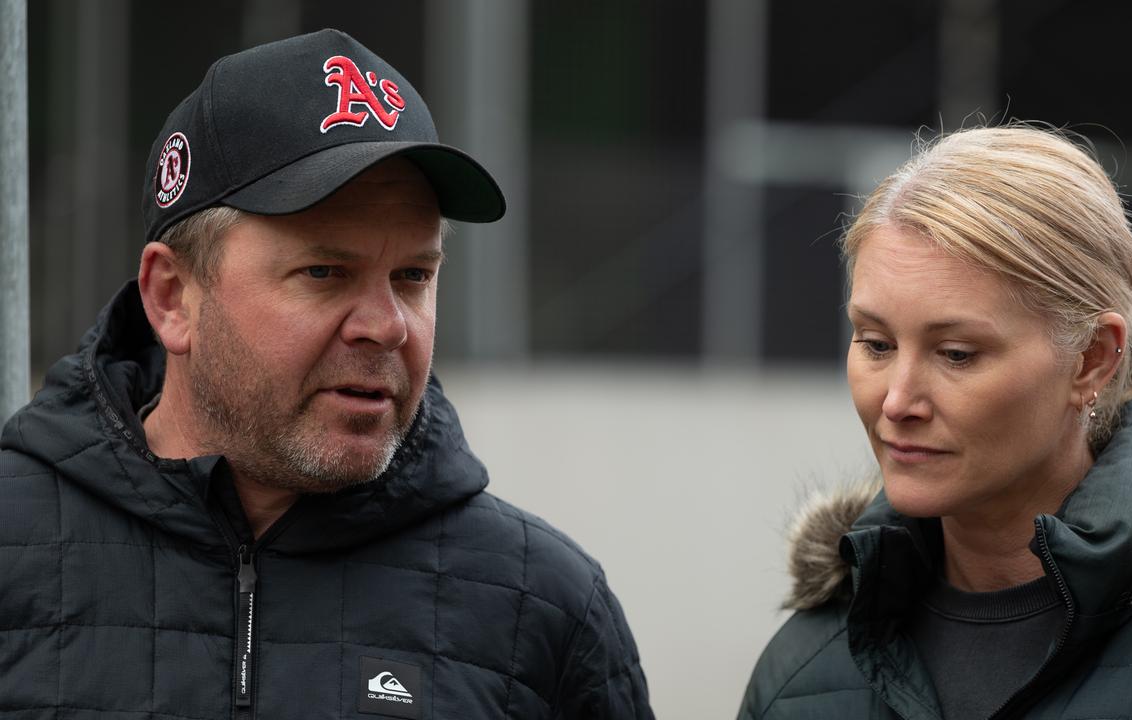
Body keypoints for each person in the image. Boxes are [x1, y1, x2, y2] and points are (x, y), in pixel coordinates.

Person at [0, 29, 652, 719]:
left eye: (412, 276)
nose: (387, 324)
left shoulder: (545, 611)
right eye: (324, 272)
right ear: (172, 297)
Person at [738, 125, 1132, 719]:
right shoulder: (804, 671)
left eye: (957, 354)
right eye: (875, 343)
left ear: (1093, 358)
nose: (896, 402)